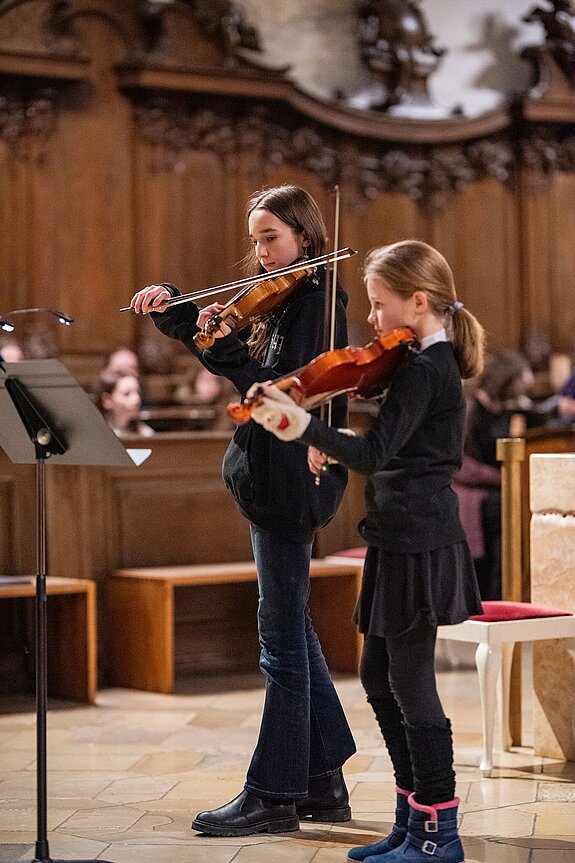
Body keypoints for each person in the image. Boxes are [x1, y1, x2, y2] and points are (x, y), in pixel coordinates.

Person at [129, 184, 356, 836]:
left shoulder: (317, 303)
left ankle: (273, 794)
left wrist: (223, 347)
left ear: (305, 239)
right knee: (292, 633)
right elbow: (221, 336)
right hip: (272, 480)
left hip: (290, 480)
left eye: (270, 238)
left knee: (280, 642)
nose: (259, 253)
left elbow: (273, 390)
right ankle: (322, 781)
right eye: (255, 239)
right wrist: (172, 306)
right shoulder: (282, 298)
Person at [249, 239, 485, 863]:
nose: (373, 321)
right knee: (380, 677)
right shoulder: (415, 367)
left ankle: (440, 835)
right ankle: (411, 822)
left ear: (419, 301)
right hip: (397, 535)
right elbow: (392, 445)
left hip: (418, 541)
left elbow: (379, 456)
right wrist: (338, 435)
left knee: (411, 684)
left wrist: (303, 426)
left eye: (381, 306)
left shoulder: (430, 369)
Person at [456, 350, 537, 600]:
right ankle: (496, 597)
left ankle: (510, 592)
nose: (520, 394)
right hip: (472, 494)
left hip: (497, 489)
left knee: (516, 510)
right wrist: (504, 478)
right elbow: (460, 466)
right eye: (518, 387)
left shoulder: (507, 411)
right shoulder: (469, 409)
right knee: (504, 511)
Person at [93, 371, 153, 437]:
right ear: (108, 400)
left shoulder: (145, 432)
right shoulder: (95, 434)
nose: (137, 400)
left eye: (138, 393)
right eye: (127, 394)